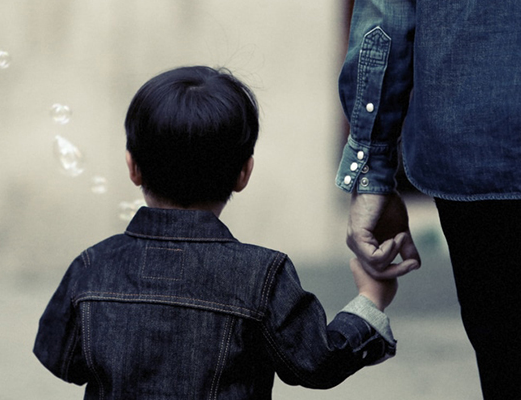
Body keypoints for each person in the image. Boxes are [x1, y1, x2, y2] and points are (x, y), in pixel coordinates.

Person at [34, 65, 401, 399]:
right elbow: (317, 363)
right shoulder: (262, 275)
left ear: (133, 167)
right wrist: (370, 300)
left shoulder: (93, 265)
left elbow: (61, 359)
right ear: (245, 172)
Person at [335, 1, 521, 399]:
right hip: (480, 152)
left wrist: (372, 170)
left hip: (478, 144)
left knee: (508, 358)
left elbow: (387, 12)